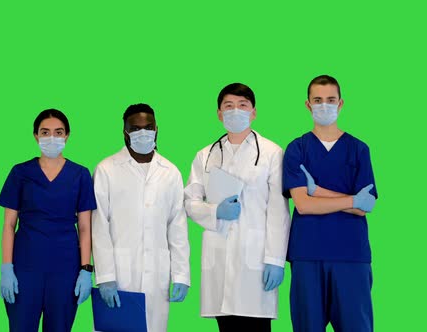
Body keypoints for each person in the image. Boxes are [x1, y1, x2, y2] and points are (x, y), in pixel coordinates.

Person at [184, 83, 290, 332]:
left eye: (243, 106)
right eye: (228, 106)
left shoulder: (271, 153)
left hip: (255, 260)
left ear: (253, 112)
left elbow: (278, 211)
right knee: (226, 326)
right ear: (219, 114)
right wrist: (214, 212)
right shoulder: (205, 155)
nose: (235, 111)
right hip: (219, 258)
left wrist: (276, 259)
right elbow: (189, 201)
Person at [282, 75, 378, 331]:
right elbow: (303, 205)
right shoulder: (297, 149)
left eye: (330, 100)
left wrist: (319, 191)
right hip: (307, 255)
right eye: (318, 100)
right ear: (308, 105)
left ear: (341, 103)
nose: (324, 105)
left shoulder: (359, 149)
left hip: (351, 256)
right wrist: (351, 200)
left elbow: (365, 206)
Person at [91, 103, 191, 332]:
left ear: (157, 129)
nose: (142, 133)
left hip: (158, 274)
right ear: (125, 132)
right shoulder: (106, 169)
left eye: (148, 127)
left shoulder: (170, 172)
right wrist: (105, 275)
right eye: (135, 128)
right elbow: (99, 225)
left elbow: (177, 227)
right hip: (119, 273)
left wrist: (182, 274)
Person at [0, 109, 96, 332]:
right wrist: (6, 267)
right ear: (36, 136)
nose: (52, 137)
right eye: (45, 132)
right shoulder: (20, 173)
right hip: (24, 268)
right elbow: (8, 225)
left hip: (65, 269)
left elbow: (85, 227)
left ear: (67, 135)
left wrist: (86, 270)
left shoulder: (80, 175)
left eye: (58, 132)